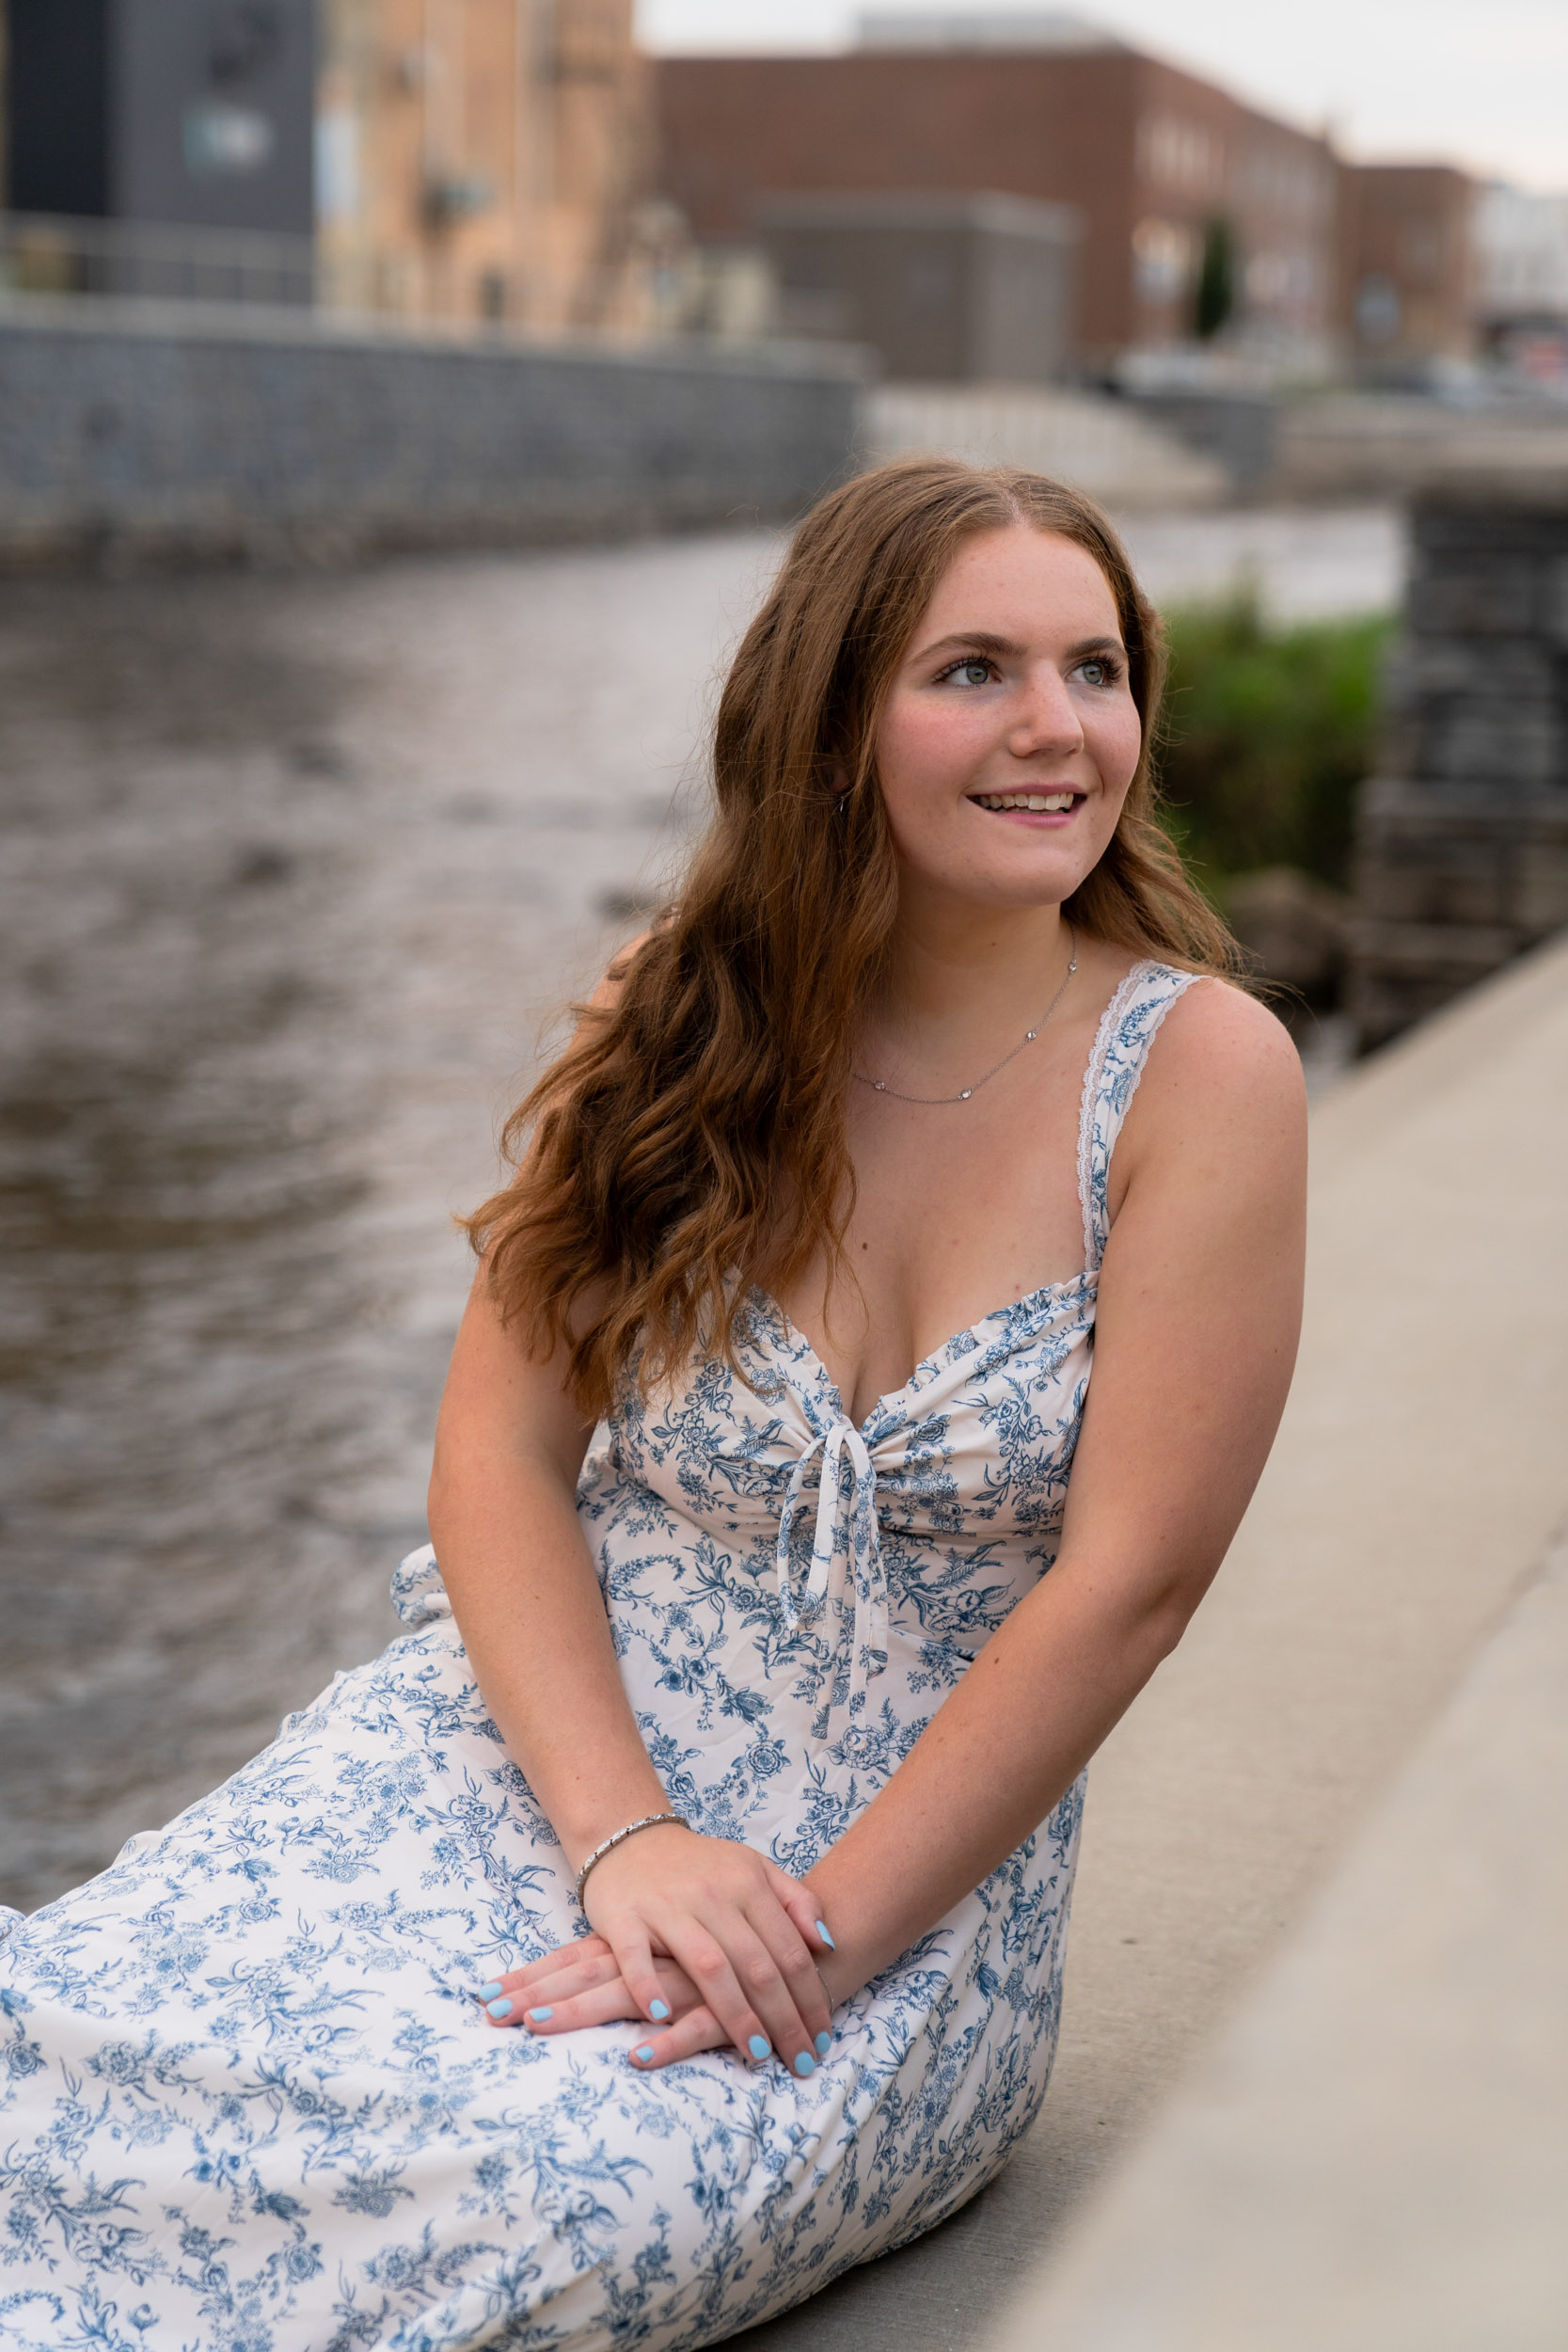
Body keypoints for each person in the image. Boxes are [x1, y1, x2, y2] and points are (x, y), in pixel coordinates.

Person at [0, 458, 1306, 2352]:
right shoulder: (674, 1010)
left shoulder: (1198, 1072)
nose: (1054, 727)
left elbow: (1128, 1585)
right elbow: (502, 1449)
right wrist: (623, 1836)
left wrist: (812, 1930)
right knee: (80, 2030)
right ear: (831, 715)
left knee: (541, 2194)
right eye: (973, 671)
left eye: (1093, 668)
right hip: (525, 1754)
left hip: (870, 1893)